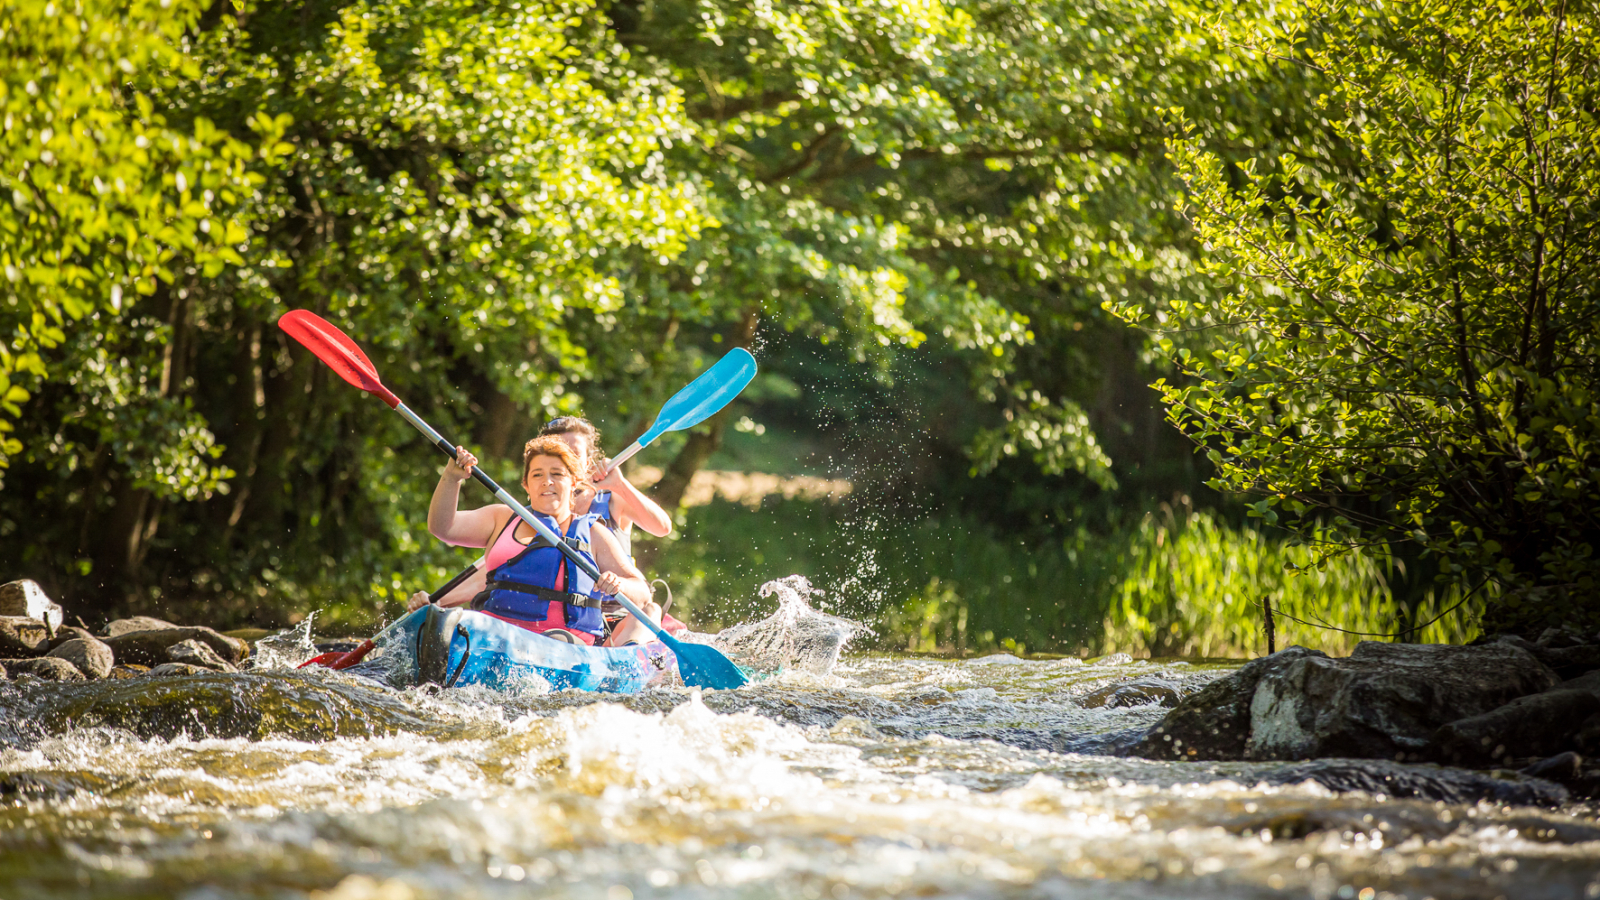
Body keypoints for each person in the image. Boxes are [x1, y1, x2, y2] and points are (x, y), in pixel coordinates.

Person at [418, 435, 663, 646]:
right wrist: (452, 478)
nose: (547, 481)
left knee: (562, 638)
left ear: (573, 482)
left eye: (557, 474)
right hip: (496, 636)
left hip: (565, 647)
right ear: (526, 484)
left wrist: (618, 583)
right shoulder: (501, 518)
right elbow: (443, 527)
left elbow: (641, 592)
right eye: (537, 475)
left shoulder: (593, 533)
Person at [539, 416, 672, 559]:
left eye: (575, 454)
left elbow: (662, 528)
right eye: (559, 453)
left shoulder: (612, 498)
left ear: (588, 462)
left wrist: (621, 485)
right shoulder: (539, 504)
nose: (567, 460)